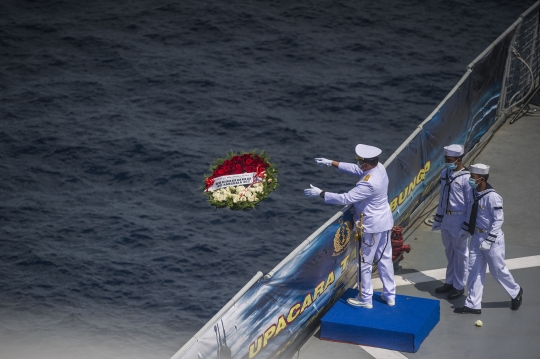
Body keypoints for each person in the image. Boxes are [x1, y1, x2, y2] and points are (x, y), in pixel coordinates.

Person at [304, 144, 395, 309]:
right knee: (385, 259)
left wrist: (321, 193)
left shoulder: (369, 183)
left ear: (366, 163)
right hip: (384, 222)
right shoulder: (379, 168)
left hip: (370, 227)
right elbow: (357, 169)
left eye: (361, 162)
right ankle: (390, 296)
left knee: (364, 263)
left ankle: (365, 299)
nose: (359, 164)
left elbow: (346, 198)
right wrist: (332, 162)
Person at [454, 163, 523, 314]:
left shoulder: (493, 197)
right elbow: (470, 213)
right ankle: (473, 304)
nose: (470, 179)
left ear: (482, 179)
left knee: (497, 270)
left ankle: (515, 291)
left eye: (473, 177)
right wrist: (465, 230)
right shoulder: (473, 193)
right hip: (477, 237)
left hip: (491, 239)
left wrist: (489, 240)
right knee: (474, 270)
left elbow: (499, 220)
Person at [431, 144, 470, 300]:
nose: (446, 162)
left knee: (461, 254)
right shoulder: (445, 173)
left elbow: (470, 203)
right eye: (446, 159)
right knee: (449, 251)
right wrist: (439, 218)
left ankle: (459, 285)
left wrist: (467, 225)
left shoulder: (467, 178)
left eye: (449, 160)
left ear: (459, 160)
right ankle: (449, 281)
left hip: (459, 218)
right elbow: (442, 198)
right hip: (446, 218)